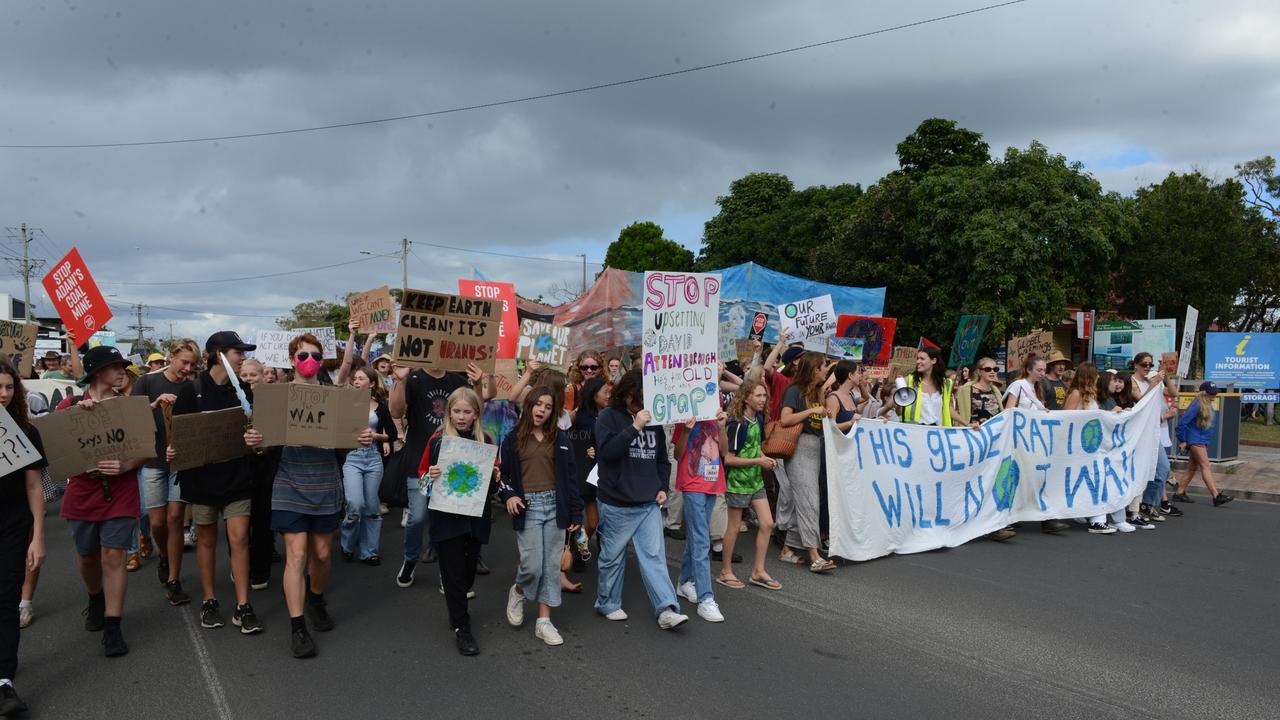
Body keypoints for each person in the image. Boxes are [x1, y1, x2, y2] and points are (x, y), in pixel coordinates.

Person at [244, 333, 374, 658]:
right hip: (289, 482)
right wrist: (255, 439)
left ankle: (316, 599)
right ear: (291, 360)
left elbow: (346, 441)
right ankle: (297, 627)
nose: (310, 360)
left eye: (315, 355)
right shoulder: (277, 397)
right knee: (297, 556)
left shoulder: (336, 397)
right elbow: (262, 445)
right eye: (303, 355)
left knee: (322, 555)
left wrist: (362, 437)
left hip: (325, 481)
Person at [167, 332, 263, 634]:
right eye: (238, 352)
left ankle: (243, 604)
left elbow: (258, 435)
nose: (242, 358)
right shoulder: (191, 392)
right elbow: (179, 439)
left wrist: (256, 439)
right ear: (219, 354)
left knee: (238, 538)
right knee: (206, 540)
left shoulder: (245, 392)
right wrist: (173, 450)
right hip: (202, 481)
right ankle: (209, 600)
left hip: (237, 477)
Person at [58, 346, 146, 657]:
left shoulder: (130, 407)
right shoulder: (70, 406)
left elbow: (145, 449)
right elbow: (58, 452)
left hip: (120, 490)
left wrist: (125, 465)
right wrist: (73, 420)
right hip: (83, 491)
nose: (123, 371)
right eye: (115, 367)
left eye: (123, 366)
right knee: (88, 557)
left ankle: (113, 626)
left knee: (114, 556)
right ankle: (95, 597)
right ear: (97, 372)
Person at [593, 369, 687, 629]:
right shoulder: (608, 418)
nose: (646, 400)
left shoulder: (653, 420)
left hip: (647, 502)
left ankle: (667, 608)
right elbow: (608, 453)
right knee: (612, 557)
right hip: (616, 502)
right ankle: (608, 603)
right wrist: (635, 427)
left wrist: (661, 488)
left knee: (655, 557)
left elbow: (662, 460)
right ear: (628, 393)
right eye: (642, 395)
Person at [497, 386, 582, 647]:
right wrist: (509, 496)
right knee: (532, 566)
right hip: (529, 507)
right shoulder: (513, 439)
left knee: (550, 568)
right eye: (538, 404)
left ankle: (544, 622)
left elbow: (571, 477)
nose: (542, 410)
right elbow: (504, 478)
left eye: (547, 406)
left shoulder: (560, 438)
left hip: (555, 505)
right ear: (529, 405)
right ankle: (519, 590)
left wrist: (575, 511)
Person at [389, 359, 484, 588]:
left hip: (452, 466)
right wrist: (400, 381)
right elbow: (396, 411)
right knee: (418, 516)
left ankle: (446, 569)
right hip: (420, 466)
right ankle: (410, 558)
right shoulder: (413, 379)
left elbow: (476, 411)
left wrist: (479, 384)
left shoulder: (457, 380)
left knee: (445, 521)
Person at [418, 388, 497, 656]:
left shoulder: (485, 439)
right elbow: (421, 482)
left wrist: (496, 476)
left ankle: (457, 609)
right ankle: (462, 627)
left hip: (475, 516)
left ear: (476, 414)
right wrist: (430, 475)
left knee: (467, 573)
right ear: (448, 412)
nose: (461, 417)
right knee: (452, 574)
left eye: (467, 412)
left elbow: (494, 481)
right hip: (446, 516)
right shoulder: (438, 440)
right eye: (457, 411)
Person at [131, 339, 198, 604]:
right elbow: (132, 418)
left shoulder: (193, 387)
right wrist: (155, 404)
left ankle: (174, 579)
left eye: (193, 364)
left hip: (180, 463)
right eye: (184, 362)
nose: (188, 368)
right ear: (171, 357)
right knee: (157, 522)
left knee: (174, 520)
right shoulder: (147, 382)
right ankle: (164, 555)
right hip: (153, 462)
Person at [0, 361, 46, 715]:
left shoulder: (25, 433)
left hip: (12, 530)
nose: (3, 394)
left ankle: (4, 680)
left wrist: (38, 537)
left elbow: (34, 486)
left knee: (5, 604)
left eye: (9, 387)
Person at [719, 377, 781, 591]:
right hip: (738, 482)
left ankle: (758, 571)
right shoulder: (737, 424)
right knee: (734, 527)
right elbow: (729, 459)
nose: (763, 399)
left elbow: (755, 448)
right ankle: (726, 571)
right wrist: (759, 461)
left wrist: (765, 458)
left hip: (755, 481)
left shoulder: (759, 420)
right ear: (746, 398)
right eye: (758, 395)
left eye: (764, 395)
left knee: (767, 523)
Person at [776, 352, 835, 572]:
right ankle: (813, 554)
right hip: (799, 449)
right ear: (813, 369)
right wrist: (812, 410)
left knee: (803, 499)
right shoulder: (794, 391)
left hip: (813, 448)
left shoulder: (815, 391)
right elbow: (785, 418)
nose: (826, 370)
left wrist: (821, 400)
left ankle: (787, 549)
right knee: (810, 499)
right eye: (823, 367)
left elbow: (821, 417)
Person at [672, 411, 728, 623]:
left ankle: (685, 580)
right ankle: (706, 597)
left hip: (713, 483)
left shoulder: (716, 415)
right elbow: (677, 454)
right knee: (701, 539)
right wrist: (686, 430)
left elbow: (724, 451)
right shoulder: (684, 414)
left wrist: (722, 427)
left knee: (698, 536)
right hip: (692, 482)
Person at [340, 363, 395, 565]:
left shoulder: (381, 407)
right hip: (352, 458)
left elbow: (393, 434)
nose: (356, 382)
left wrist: (376, 435)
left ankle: (369, 551)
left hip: (373, 459)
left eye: (361, 379)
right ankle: (347, 544)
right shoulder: (346, 405)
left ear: (371, 383)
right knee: (355, 504)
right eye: (355, 379)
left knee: (372, 506)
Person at [1064, 363, 1124, 534]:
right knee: (1096, 480)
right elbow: (1065, 417)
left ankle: (1097, 518)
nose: (1099, 377)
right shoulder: (1076, 393)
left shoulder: (1090, 395)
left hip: (1091, 445)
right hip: (1079, 446)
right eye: (1096, 375)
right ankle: (1097, 520)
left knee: (1096, 480)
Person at [567, 377, 608, 573]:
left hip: (604, 474)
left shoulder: (610, 415)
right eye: (604, 391)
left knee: (594, 523)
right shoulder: (583, 418)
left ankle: (580, 548)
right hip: (587, 474)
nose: (608, 393)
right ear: (593, 395)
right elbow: (580, 443)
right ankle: (575, 549)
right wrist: (589, 449)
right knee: (586, 519)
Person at [1174, 382, 1233, 507]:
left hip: (1201, 440)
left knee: (1192, 467)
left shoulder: (1207, 404)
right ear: (1203, 393)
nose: (1214, 394)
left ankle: (1179, 493)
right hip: (1196, 440)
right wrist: (1183, 440)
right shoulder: (1197, 404)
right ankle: (1216, 496)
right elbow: (1182, 423)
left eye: (1215, 392)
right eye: (1211, 393)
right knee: (1206, 466)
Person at [900, 347, 957, 427]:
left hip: (938, 433)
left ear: (933, 360)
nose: (918, 361)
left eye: (922, 359)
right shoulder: (908, 381)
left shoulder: (946, 384)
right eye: (917, 359)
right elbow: (897, 407)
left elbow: (948, 408)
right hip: (915, 433)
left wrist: (967, 424)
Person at [954, 357, 1004, 427]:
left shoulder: (996, 391)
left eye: (995, 369)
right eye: (988, 369)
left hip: (994, 433)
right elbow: (957, 412)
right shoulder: (967, 389)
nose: (992, 372)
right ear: (979, 372)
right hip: (973, 433)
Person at [825, 361, 864, 433]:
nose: (860, 376)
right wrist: (850, 423)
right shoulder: (833, 398)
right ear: (850, 375)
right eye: (858, 373)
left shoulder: (851, 396)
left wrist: (877, 420)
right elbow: (829, 428)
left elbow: (865, 398)